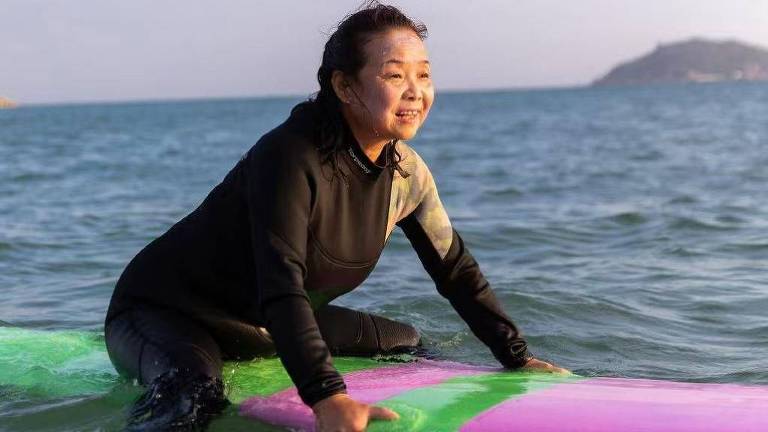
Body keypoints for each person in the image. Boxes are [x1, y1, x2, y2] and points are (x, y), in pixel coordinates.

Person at [104, 2, 568, 430]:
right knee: (194, 398)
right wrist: (328, 396)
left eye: (424, 75)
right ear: (344, 86)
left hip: (259, 324)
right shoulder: (289, 157)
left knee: (404, 342)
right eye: (394, 76)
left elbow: (456, 271)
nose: (415, 92)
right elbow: (282, 284)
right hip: (166, 311)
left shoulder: (407, 173)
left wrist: (517, 359)